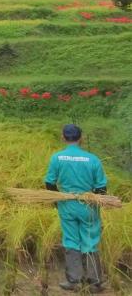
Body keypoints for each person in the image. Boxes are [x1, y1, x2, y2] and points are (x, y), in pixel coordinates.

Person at [44, 123, 108, 292]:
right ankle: (94, 282)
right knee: (90, 240)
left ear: (63, 137)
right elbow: (101, 187)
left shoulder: (57, 158)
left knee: (71, 240)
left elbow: (49, 183)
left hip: (67, 205)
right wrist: (95, 200)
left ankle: (73, 281)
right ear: (81, 138)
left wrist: (58, 200)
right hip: (88, 206)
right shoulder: (92, 159)